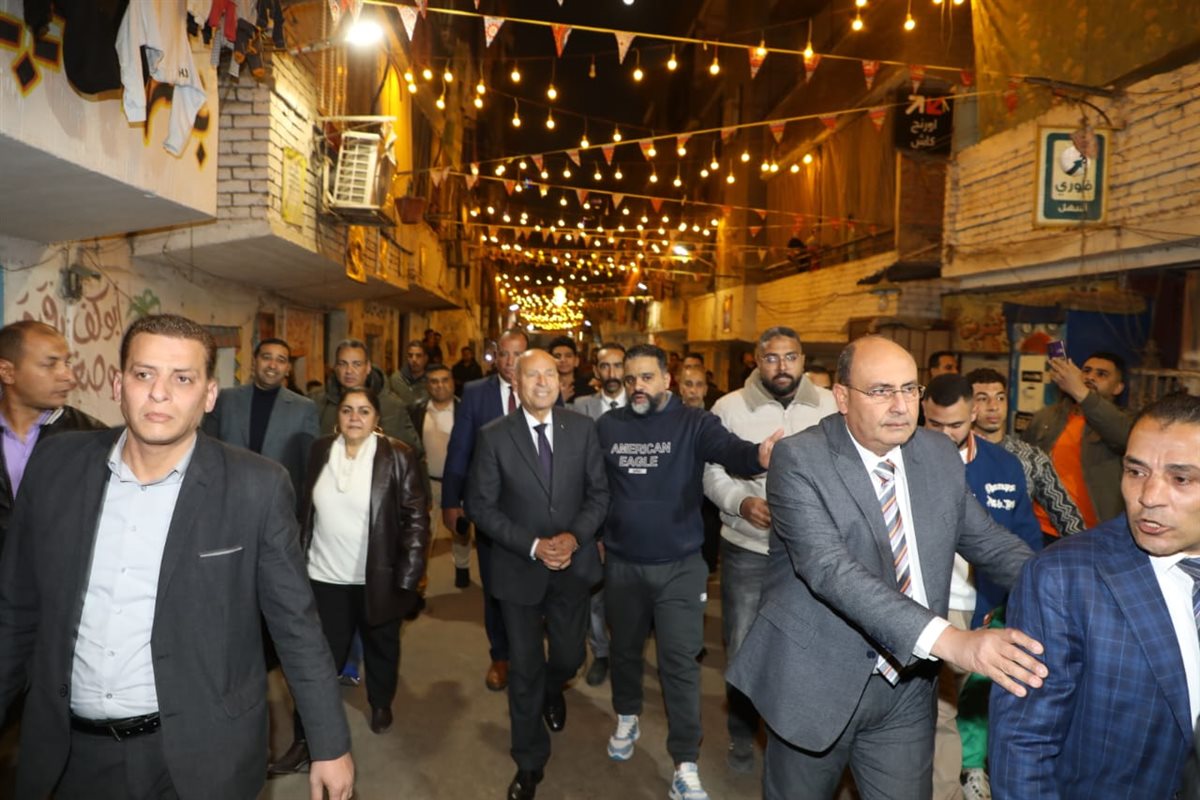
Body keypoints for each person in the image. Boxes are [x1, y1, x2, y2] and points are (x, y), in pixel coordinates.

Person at [0, 314, 354, 799]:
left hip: (198, 754)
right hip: (69, 753)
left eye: (182, 378)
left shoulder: (256, 486)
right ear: (119, 384)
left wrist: (329, 743)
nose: (159, 393)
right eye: (144, 374)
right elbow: (15, 612)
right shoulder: (56, 464)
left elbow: (296, 624)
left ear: (209, 395)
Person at [727, 335, 1042, 800]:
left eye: (910, 389)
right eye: (880, 391)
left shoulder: (937, 454)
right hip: (816, 678)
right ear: (841, 397)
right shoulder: (800, 458)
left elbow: (989, 541)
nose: (900, 405)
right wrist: (952, 641)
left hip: (908, 686)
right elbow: (830, 570)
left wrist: (1066, 589)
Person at [990, 392, 1200, 799]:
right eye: (1136, 471)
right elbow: (1024, 746)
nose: (1149, 496)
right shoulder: (1064, 578)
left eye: (1181, 479)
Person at [596, 343, 782, 800]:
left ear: (667, 380)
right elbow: (593, 487)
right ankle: (627, 714)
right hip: (622, 565)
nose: (637, 386)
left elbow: (729, 450)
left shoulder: (694, 423)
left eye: (646, 377)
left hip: (679, 567)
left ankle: (685, 763)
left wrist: (758, 455)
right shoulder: (608, 427)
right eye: (631, 378)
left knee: (679, 663)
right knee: (624, 650)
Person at [466, 349, 610, 800]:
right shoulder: (494, 436)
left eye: (550, 374)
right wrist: (532, 545)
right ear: (516, 382)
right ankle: (529, 761)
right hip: (518, 570)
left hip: (573, 566)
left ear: (561, 380)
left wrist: (573, 537)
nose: (543, 382)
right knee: (524, 668)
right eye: (533, 375)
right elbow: (481, 506)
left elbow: (599, 495)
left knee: (568, 657)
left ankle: (554, 688)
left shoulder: (582, 429)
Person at [270, 386, 428, 773]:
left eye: (364, 410)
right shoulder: (320, 450)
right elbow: (305, 511)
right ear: (337, 416)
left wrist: (408, 579)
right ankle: (306, 740)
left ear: (377, 418)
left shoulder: (397, 455)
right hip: (323, 578)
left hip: (379, 579)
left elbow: (416, 520)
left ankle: (380, 702)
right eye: (347, 410)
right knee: (316, 665)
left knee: (382, 648)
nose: (354, 417)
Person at [702, 326, 838, 773]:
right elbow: (711, 473)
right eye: (772, 358)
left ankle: (799, 736)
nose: (782, 366)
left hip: (814, 553)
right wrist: (741, 503)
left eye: (791, 357)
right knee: (744, 643)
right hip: (749, 549)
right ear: (757, 362)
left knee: (808, 644)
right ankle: (742, 733)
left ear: (803, 359)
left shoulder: (831, 405)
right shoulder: (729, 408)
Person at [922, 374, 1043, 800]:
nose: (944, 434)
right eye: (934, 424)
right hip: (928, 607)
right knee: (939, 712)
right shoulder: (905, 460)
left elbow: (1024, 539)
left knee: (980, 704)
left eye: (955, 425)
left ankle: (974, 770)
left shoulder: (1003, 466)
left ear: (973, 413)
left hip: (985, 607)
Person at [443, 328, 529, 691]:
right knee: (494, 585)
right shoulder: (477, 393)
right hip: (490, 509)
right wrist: (451, 500)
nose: (510, 362)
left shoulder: (541, 388)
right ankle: (501, 655)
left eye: (518, 354)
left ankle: (528, 654)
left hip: (534, 511)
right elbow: (460, 448)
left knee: (532, 585)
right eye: (504, 354)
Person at [0, 320, 105, 553]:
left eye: (66, 363)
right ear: (7, 372)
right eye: (50, 365)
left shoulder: (93, 439)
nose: (68, 377)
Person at [966, 368, 1084, 540]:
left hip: (1017, 548)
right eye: (982, 399)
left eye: (1000, 398)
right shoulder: (956, 455)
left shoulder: (1031, 457)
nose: (994, 406)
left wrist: (1082, 549)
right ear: (968, 405)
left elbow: (1066, 514)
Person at [569, 342, 627, 686]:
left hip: (629, 515)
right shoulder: (579, 408)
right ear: (595, 371)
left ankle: (625, 654)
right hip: (590, 513)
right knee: (593, 592)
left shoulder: (642, 406)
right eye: (605, 366)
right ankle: (601, 653)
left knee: (626, 594)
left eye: (618, 365)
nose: (611, 373)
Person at [1021, 352, 1131, 528]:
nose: (1090, 377)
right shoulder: (1046, 417)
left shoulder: (1125, 423)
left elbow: (1122, 434)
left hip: (1090, 530)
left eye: (1101, 374)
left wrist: (1081, 392)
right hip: (1039, 525)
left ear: (1118, 388)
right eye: (1086, 371)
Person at [203, 336, 319, 500]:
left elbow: (309, 464)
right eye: (266, 357)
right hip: (227, 494)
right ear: (254, 362)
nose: (272, 365)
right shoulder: (227, 399)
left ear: (288, 368)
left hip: (278, 499)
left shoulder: (304, 408)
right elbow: (206, 448)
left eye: (280, 360)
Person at [311, 338, 424, 460]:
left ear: (368, 367)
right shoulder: (317, 402)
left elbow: (413, 452)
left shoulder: (393, 407)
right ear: (336, 368)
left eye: (357, 364)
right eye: (343, 364)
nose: (349, 371)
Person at [411, 364, 471, 589]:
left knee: (461, 530)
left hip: (458, 483)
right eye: (434, 381)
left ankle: (462, 568)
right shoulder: (418, 411)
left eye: (445, 380)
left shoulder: (465, 410)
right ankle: (419, 582)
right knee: (423, 533)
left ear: (453, 382)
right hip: (428, 483)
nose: (440, 385)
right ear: (427, 385)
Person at [547, 335, 593, 403]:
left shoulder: (588, 390)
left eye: (568, 356)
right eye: (557, 356)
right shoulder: (544, 387)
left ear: (576, 361)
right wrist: (559, 400)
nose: (563, 360)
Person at [391, 341, 430, 407]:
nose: (414, 359)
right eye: (410, 356)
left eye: (418, 356)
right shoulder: (396, 380)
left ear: (425, 358)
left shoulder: (431, 381)